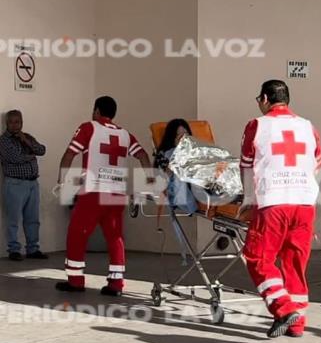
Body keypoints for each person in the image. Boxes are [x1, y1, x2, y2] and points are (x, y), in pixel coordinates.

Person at [238, 80, 321, 338]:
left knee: (257, 257)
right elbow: (317, 162)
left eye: (258, 99)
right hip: (305, 203)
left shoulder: (257, 125)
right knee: (295, 263)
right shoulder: (308, 126)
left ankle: (284, 309)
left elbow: (246, 165)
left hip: (274, 202)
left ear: (265, 98)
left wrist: (248, 203)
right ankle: (297, 324)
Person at [55, 96, 154, 296]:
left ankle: (75, 281)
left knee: (77, 234)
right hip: (117, 192)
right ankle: (116, 284)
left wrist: (61, 182)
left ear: (97, 111)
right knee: (115, 237)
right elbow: (143, 155)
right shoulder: (126, 135)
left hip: (93, 191)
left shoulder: (88, 128)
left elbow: (69, 155)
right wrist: (150, 181)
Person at [0, 110, 48, 261]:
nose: (15, 125)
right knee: (13, 219)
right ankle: (14, 250)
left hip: (32, 183)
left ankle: (33, 249)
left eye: (18, 122)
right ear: (6, 123)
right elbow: (14, 158)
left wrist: (27, 142)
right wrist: (31, 156)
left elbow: (42, 150)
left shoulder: (27, 137)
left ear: (22, 122)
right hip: (15, 183)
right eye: (11, 122)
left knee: (33, 219)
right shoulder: (3, 140)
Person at [155, 118, 198, 215]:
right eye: (180, 136)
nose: (184, 139)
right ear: (172, 138)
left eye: (186, 135)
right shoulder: (164, 155)